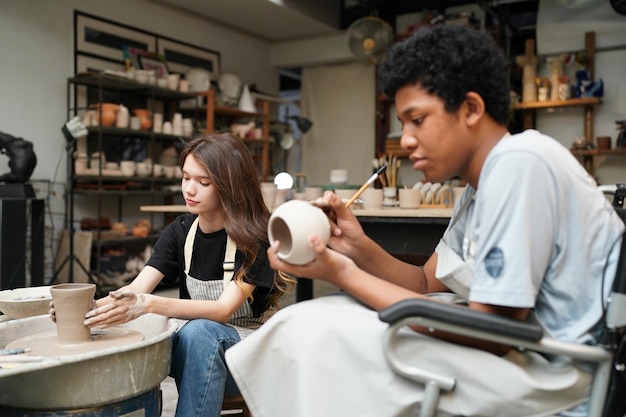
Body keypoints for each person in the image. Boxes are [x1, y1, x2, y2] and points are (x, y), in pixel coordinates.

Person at [225, 25, 625, 417]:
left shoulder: (521, 163)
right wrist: (356, 247)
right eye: (403, 124)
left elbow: (491, 331)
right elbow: (425, 283)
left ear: (470, 108)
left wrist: (342, 273)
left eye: (417, 120)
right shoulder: (479, 185)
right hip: (517, 349)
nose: (407, 139)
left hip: (553, 370)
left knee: (313, 331)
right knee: (314, 318)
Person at [78, 133, 294, 417]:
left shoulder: (257, 239)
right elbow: (136, 288)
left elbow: (221, 310)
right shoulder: (181, 231)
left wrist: (149, 304)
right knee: (142, 330)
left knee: (199, 331)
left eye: (203, 182)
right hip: (197, 354)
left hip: (245, 362)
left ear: (229, 186)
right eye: (185, 178)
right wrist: (85, 308)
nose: (189, 190)